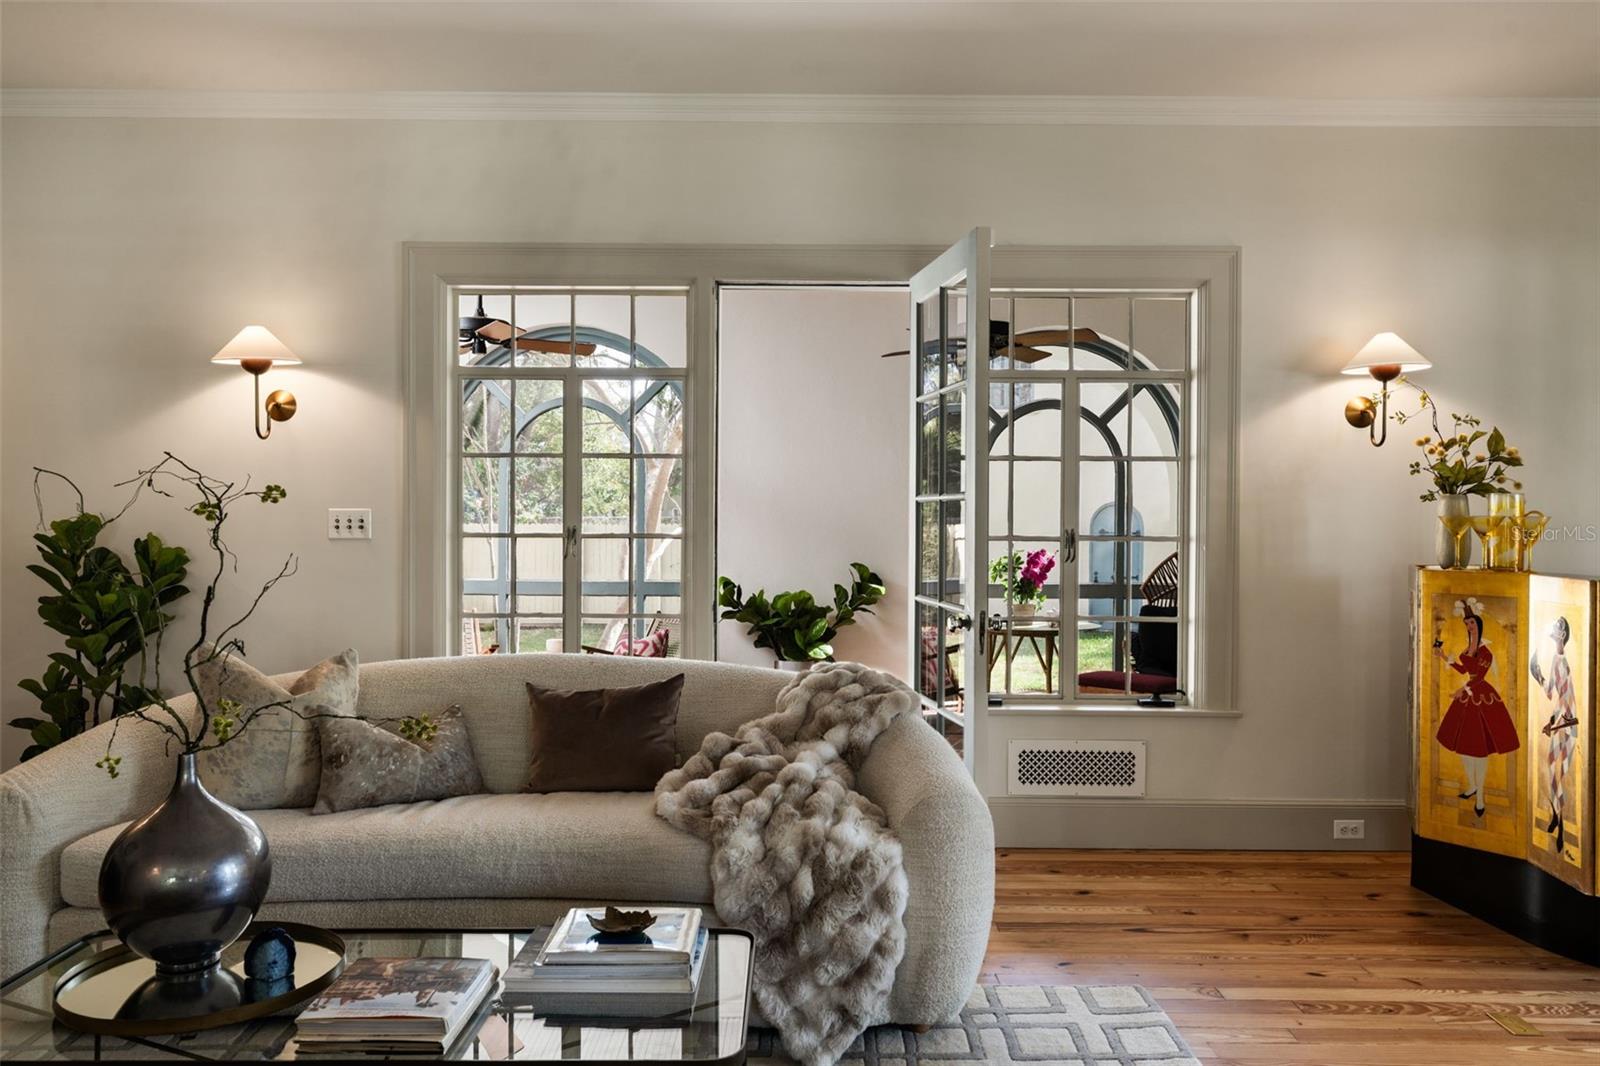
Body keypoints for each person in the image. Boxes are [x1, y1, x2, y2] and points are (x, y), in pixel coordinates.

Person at [1435, 597, 1520, 818]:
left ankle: (1481, 797)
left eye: (1472, 623)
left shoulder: (1486, 652)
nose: (1468, 626)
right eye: (1466, 623)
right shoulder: (1467, 646)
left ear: (1478, 624)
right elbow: (1465, 670)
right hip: (1467, 697)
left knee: (1480, 750)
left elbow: (1478, 677)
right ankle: (1472, 785)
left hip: (1481, 698)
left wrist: (1462, 691)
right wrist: (1444, 657)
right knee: (1464, 746)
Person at [1529, 616, 1578, 855]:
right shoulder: (1555, 660)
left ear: (1563, 634)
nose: (1554, 628)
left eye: (1558, 627)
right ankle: (1557, 815)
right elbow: (1551, 692)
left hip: (1569, 726)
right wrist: (1536, 673)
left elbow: (1565, 702)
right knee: (1551, 772)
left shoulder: (1564, 663)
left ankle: (1562, 826)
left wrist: (1552, 723)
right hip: (1559, 722)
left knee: (1559, 774)